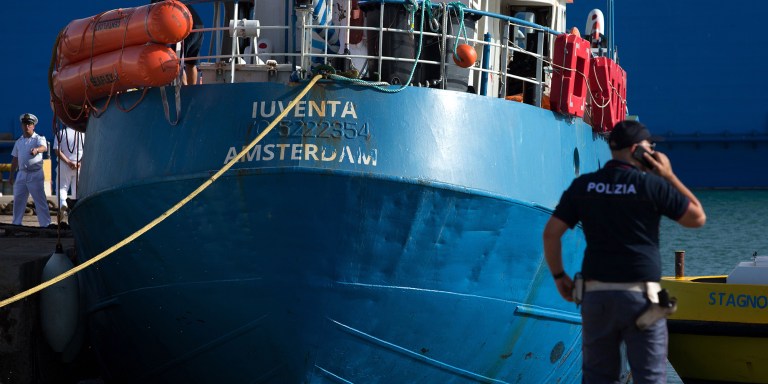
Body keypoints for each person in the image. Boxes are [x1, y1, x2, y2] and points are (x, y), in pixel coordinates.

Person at [542, 120, 706, 383]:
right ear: (636, 149)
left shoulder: (584, 186)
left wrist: (560, 276)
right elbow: (697, 217)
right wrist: (667, 175)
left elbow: (551, 233)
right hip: (641, 301)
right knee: (649, 377)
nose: (652, 150)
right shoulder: (652, 186)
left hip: (596, 299)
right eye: (649, 146)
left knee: (597, 378)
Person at [10, 113, 53, 228]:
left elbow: (44, 147)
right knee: (18, 200)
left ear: (33, 126)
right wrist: (11, 175)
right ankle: (16, 223)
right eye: (25, 124)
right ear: (22, 126)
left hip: (35, 174)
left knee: (40, 200)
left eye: (29, 124)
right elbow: (15, 159)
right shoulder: (19, 141)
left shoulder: (39, 138)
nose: (27, 126)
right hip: (22, 174)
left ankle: (45, 224)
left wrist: (37, 150)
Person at [151, 0, 203, 85]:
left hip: (186, 27)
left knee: (176, 61)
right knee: (191, 63)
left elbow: (153, 12)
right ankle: (191, 90)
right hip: (198, 26)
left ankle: (185, 90)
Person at [53, 125, 84, 217]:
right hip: (79, 165)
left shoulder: (60, 133)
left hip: (64, 164)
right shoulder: (83, 134)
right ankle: (76, 210)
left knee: (62, 187)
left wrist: (68, 162)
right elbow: (87, 149)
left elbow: (57, 151)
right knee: (77, 190)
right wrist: (79, 162)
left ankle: (63, 203)